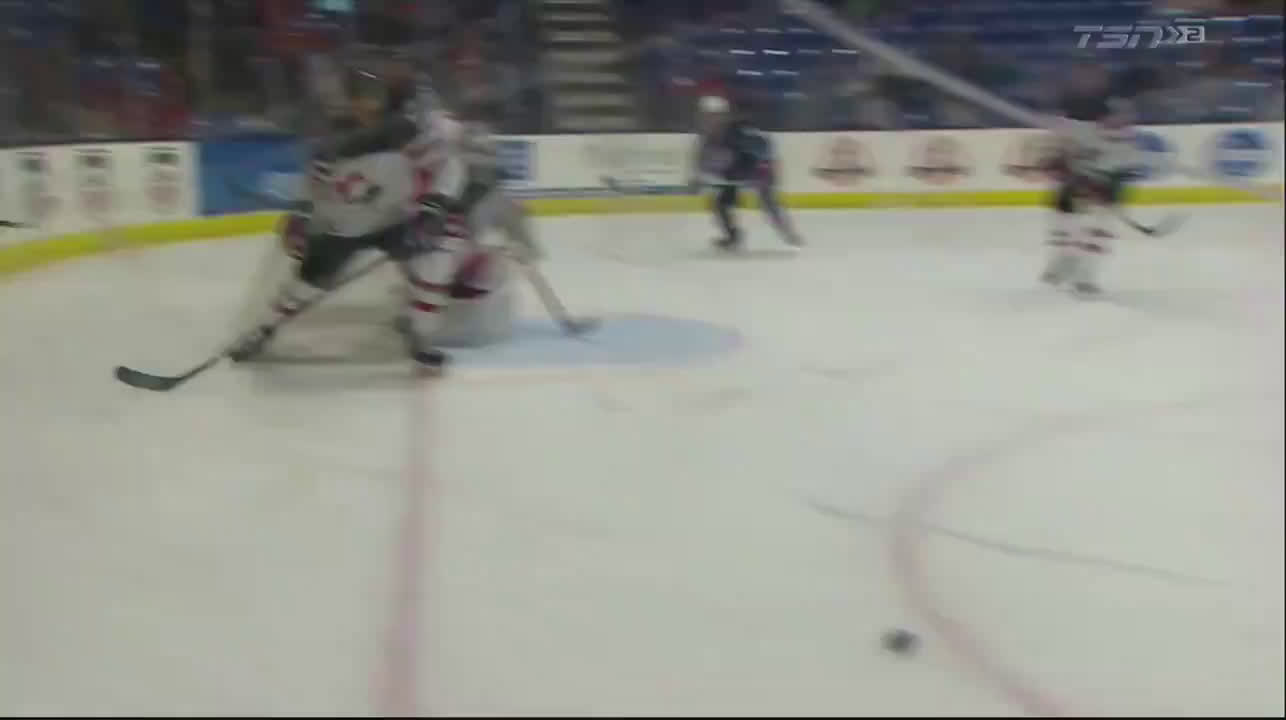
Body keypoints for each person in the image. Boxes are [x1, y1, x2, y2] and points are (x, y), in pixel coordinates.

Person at [689, 95, 803, 252]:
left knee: (769, 204)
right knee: (720, 204)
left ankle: (789, 234)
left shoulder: (741, 132)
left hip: (756, 173)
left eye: (713, 116)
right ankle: (733, 237)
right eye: (705, 116)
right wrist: (698, 179)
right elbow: (702, 163)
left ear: (724, 116)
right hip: (731, 176)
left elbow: (765, 146)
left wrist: (765, 165)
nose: (709, 121)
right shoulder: (705, 140)